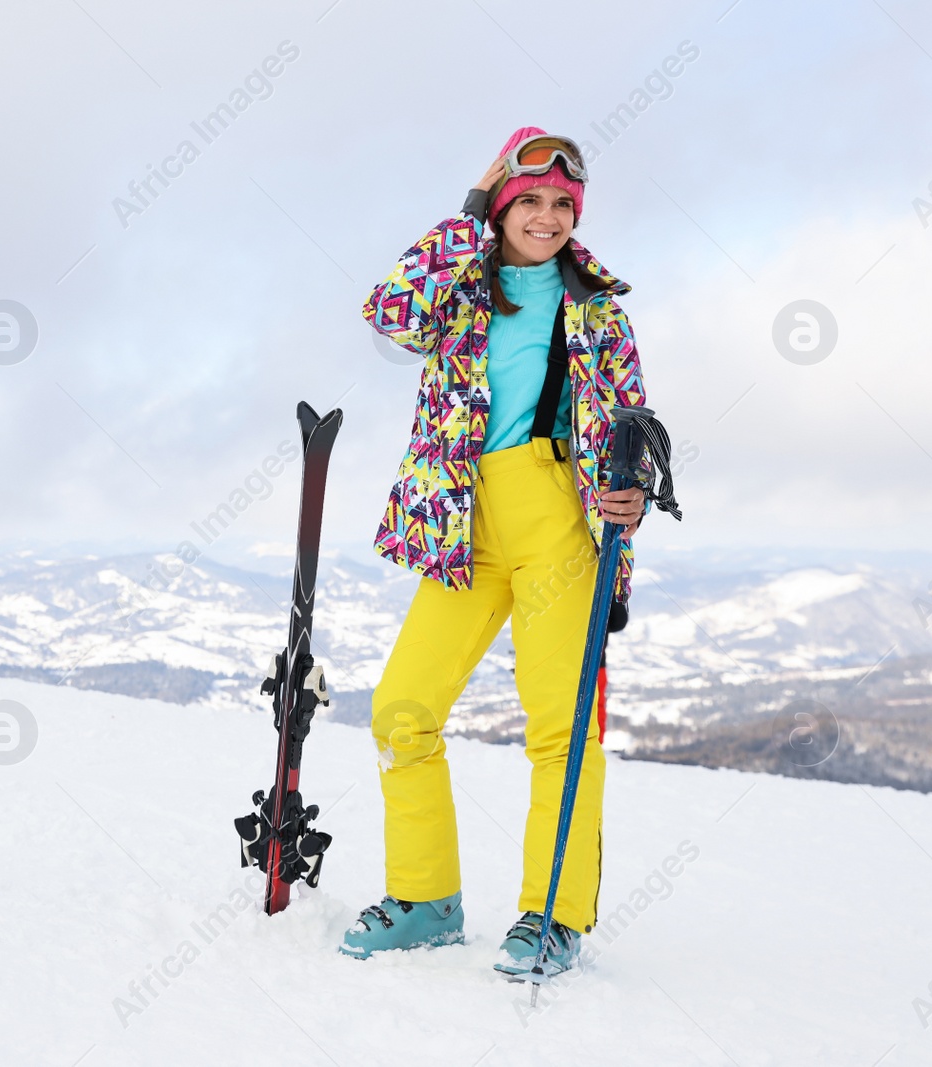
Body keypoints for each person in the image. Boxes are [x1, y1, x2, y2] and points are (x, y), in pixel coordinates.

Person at [342, 127, 652, 980]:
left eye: (562, 204)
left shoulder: (598, 308)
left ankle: (552, 917)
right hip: (463, 525)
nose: (546, 218)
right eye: (529, 202)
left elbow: (629, 429)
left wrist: (630, 493)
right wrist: (466, 213)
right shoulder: (459, 291)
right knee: (402, 709)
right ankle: (426, 900)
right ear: (502, 204)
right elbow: (387, 314)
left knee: (561, 731)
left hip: (558, 518)